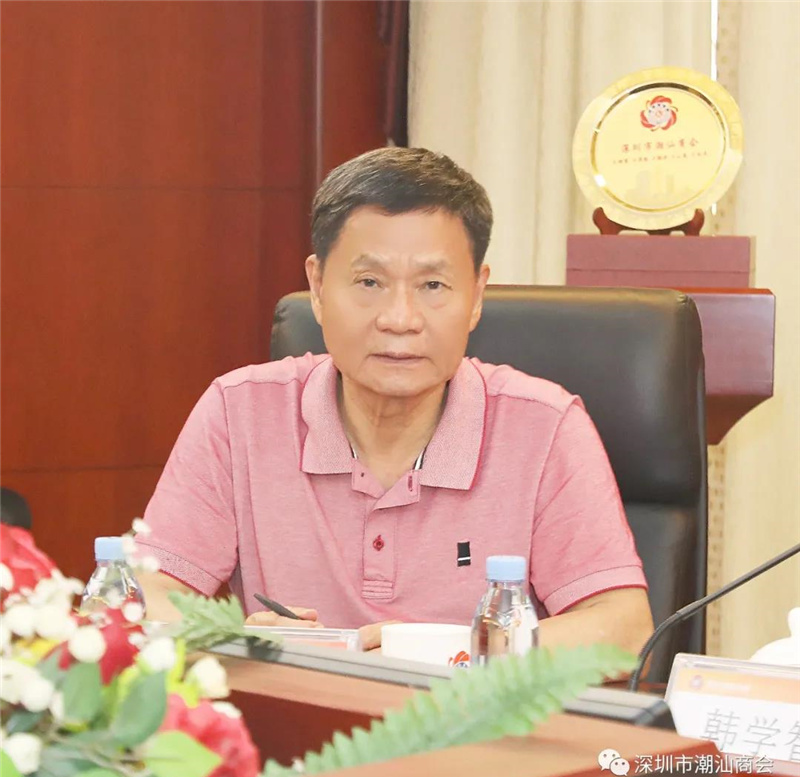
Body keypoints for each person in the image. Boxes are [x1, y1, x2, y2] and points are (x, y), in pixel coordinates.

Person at [135, 147, 653, 653]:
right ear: (317, 286)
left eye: (433, 284)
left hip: (473, 710)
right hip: (302, 710)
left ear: (476, 296)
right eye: (369, 281)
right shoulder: (239, 412)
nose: (400, 319)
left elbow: (623, 629)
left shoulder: (545, 427)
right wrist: (242, 642)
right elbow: (144, 596)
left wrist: (448, 653)